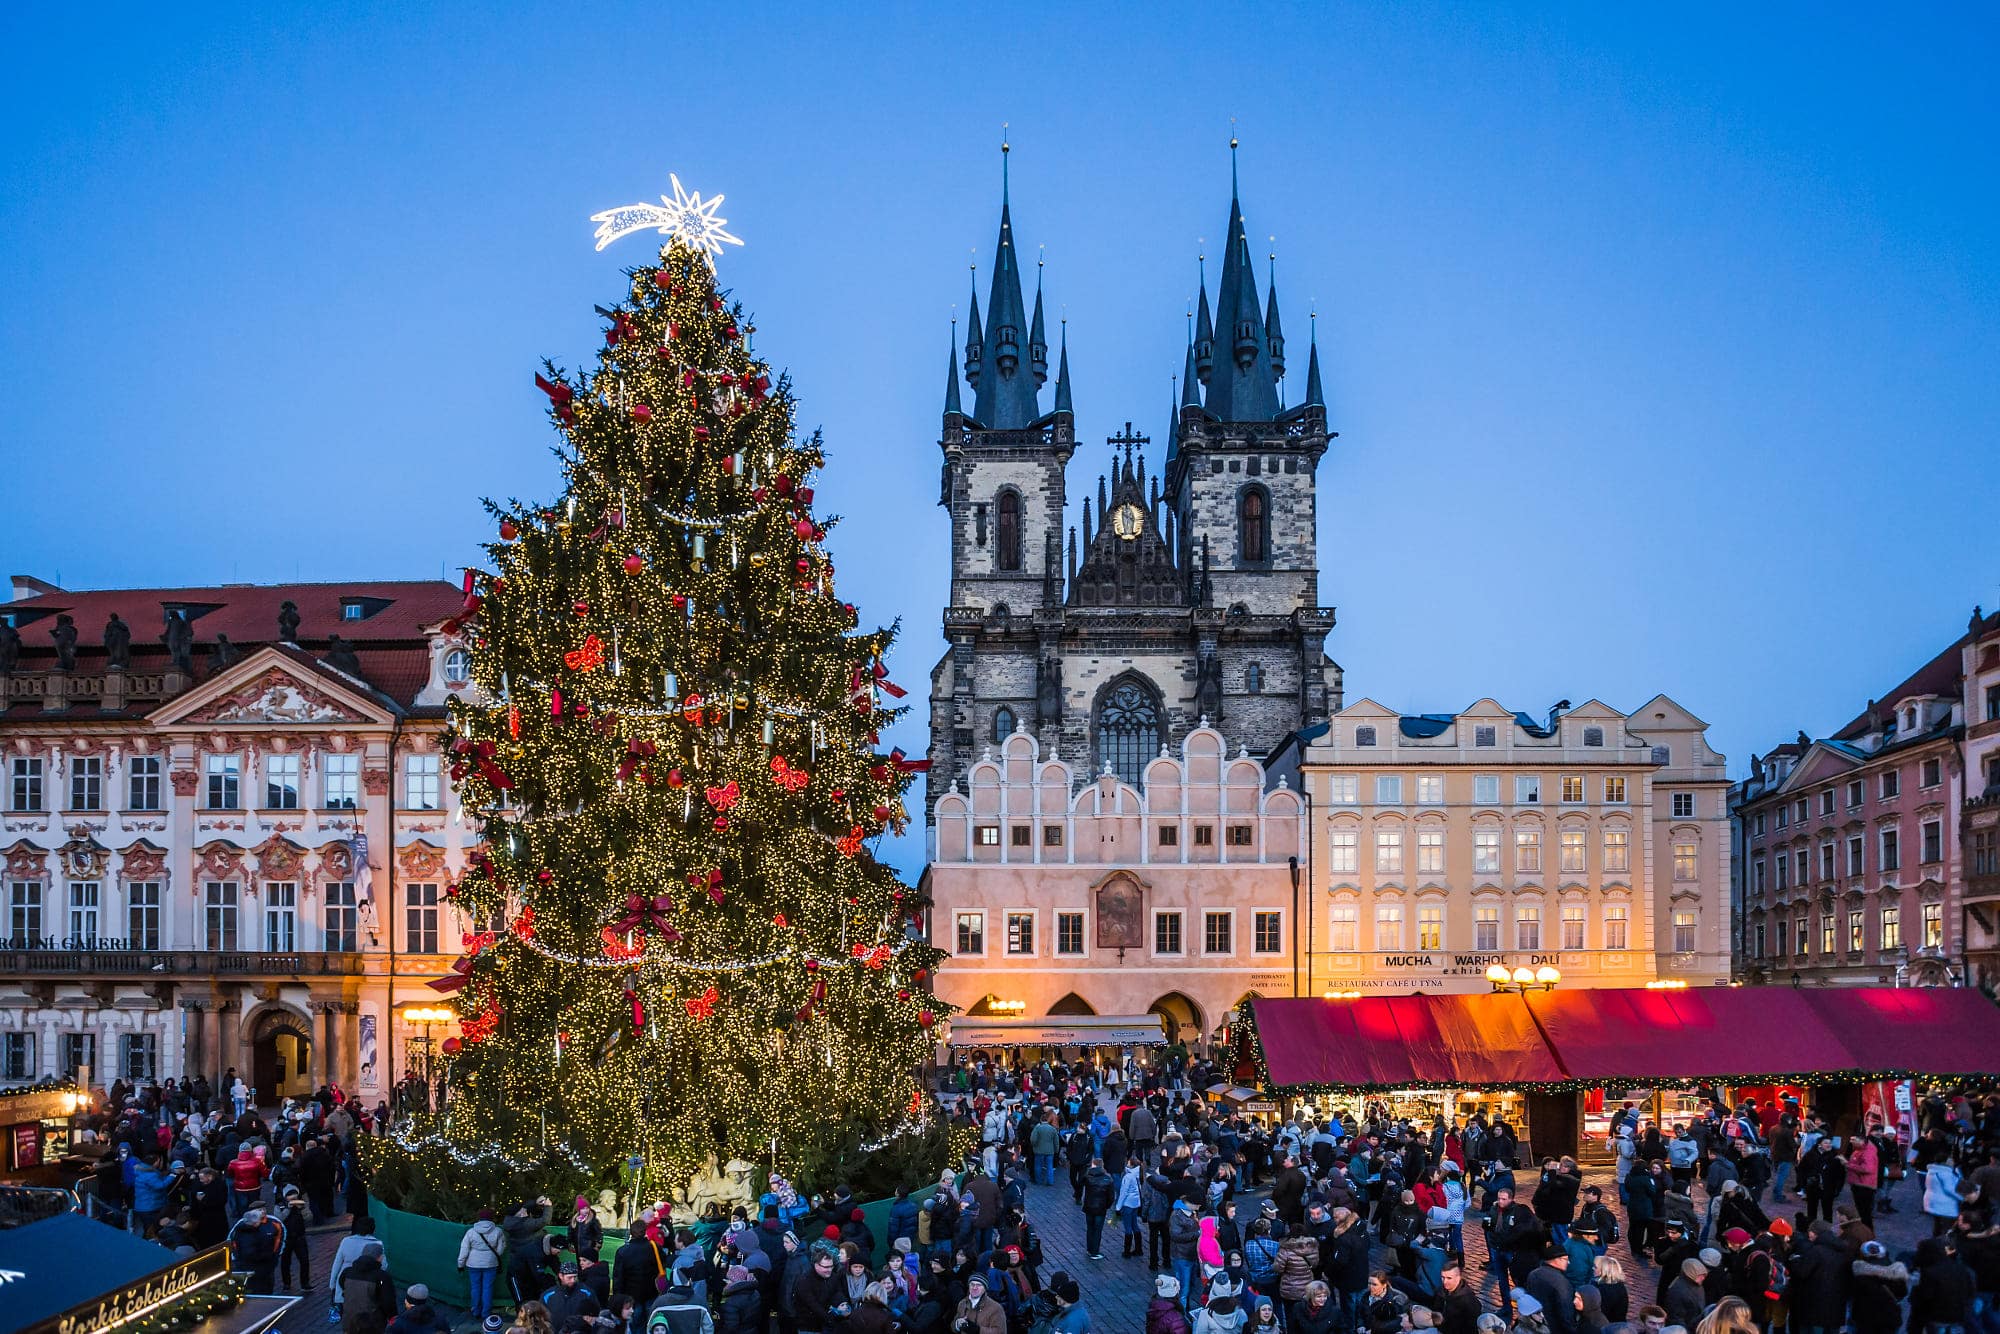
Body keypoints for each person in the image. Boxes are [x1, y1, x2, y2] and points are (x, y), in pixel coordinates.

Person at [460, 1207, 510, 1324]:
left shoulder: (471, 1232)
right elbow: (502, 1245)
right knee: (488, 1287)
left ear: (479, 1217)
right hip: (491, 1263)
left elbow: (464, 1249)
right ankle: (486, 1313)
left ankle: (475, 1311)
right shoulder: (497, 1231)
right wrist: (494, 1255)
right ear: (491, 1218)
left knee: (475, 1287)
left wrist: (460, 1264)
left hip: (473, 1264)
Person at [1847, 1239, 1908, 1334]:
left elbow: (1853, 1295)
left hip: (1866, 1319)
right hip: (1890, 1317)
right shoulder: (1897, 1272)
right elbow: (1903, 1293)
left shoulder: (1860, 1275)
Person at [339, 1240, 396, 1334]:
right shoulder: (382, 1277)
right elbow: (388, 1301)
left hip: (349, 1321)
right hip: (372, 1325)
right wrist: (392, 1317)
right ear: (380, 1257)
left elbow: (342, 1284)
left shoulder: (347, 1272)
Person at [1522, 1246, 1575, 1334]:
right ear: (1556, 1260)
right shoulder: (1561, 1282)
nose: (1568, 1262)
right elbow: (1566, 1315)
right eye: (1565, 1259)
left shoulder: (1533, 1274)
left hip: (1538, 1325)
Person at [544, 1259, 603, 1327]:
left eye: (575, 1277)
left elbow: (596, 1314)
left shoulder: (587, 1293)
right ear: (561, 1276)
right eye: (569, 1277)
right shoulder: (547, 1296)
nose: (573, 1280)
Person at [1437, 1263, 1482, 1334]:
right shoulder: (1442, 1291)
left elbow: (1472, 1329)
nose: (1445, 1281)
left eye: (1449, 1278)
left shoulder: (1469, 1302)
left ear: (1458, 1278)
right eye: (1443, 1277)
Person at [1664, 1259, 1708, 1331]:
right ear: (1690, 1274)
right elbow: (1676, 1317)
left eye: (1704, 1275)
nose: (1703, 1278)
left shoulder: (1696, 1284)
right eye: (1700, 1275)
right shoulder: (1677, 1291)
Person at [1590, 1256, 1627, 1325]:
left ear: (1603, 1270)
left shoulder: (1605, 1289)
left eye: (1595, 1267)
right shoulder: (1618, 1284)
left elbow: (1601, 1312)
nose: (1593, 1269)